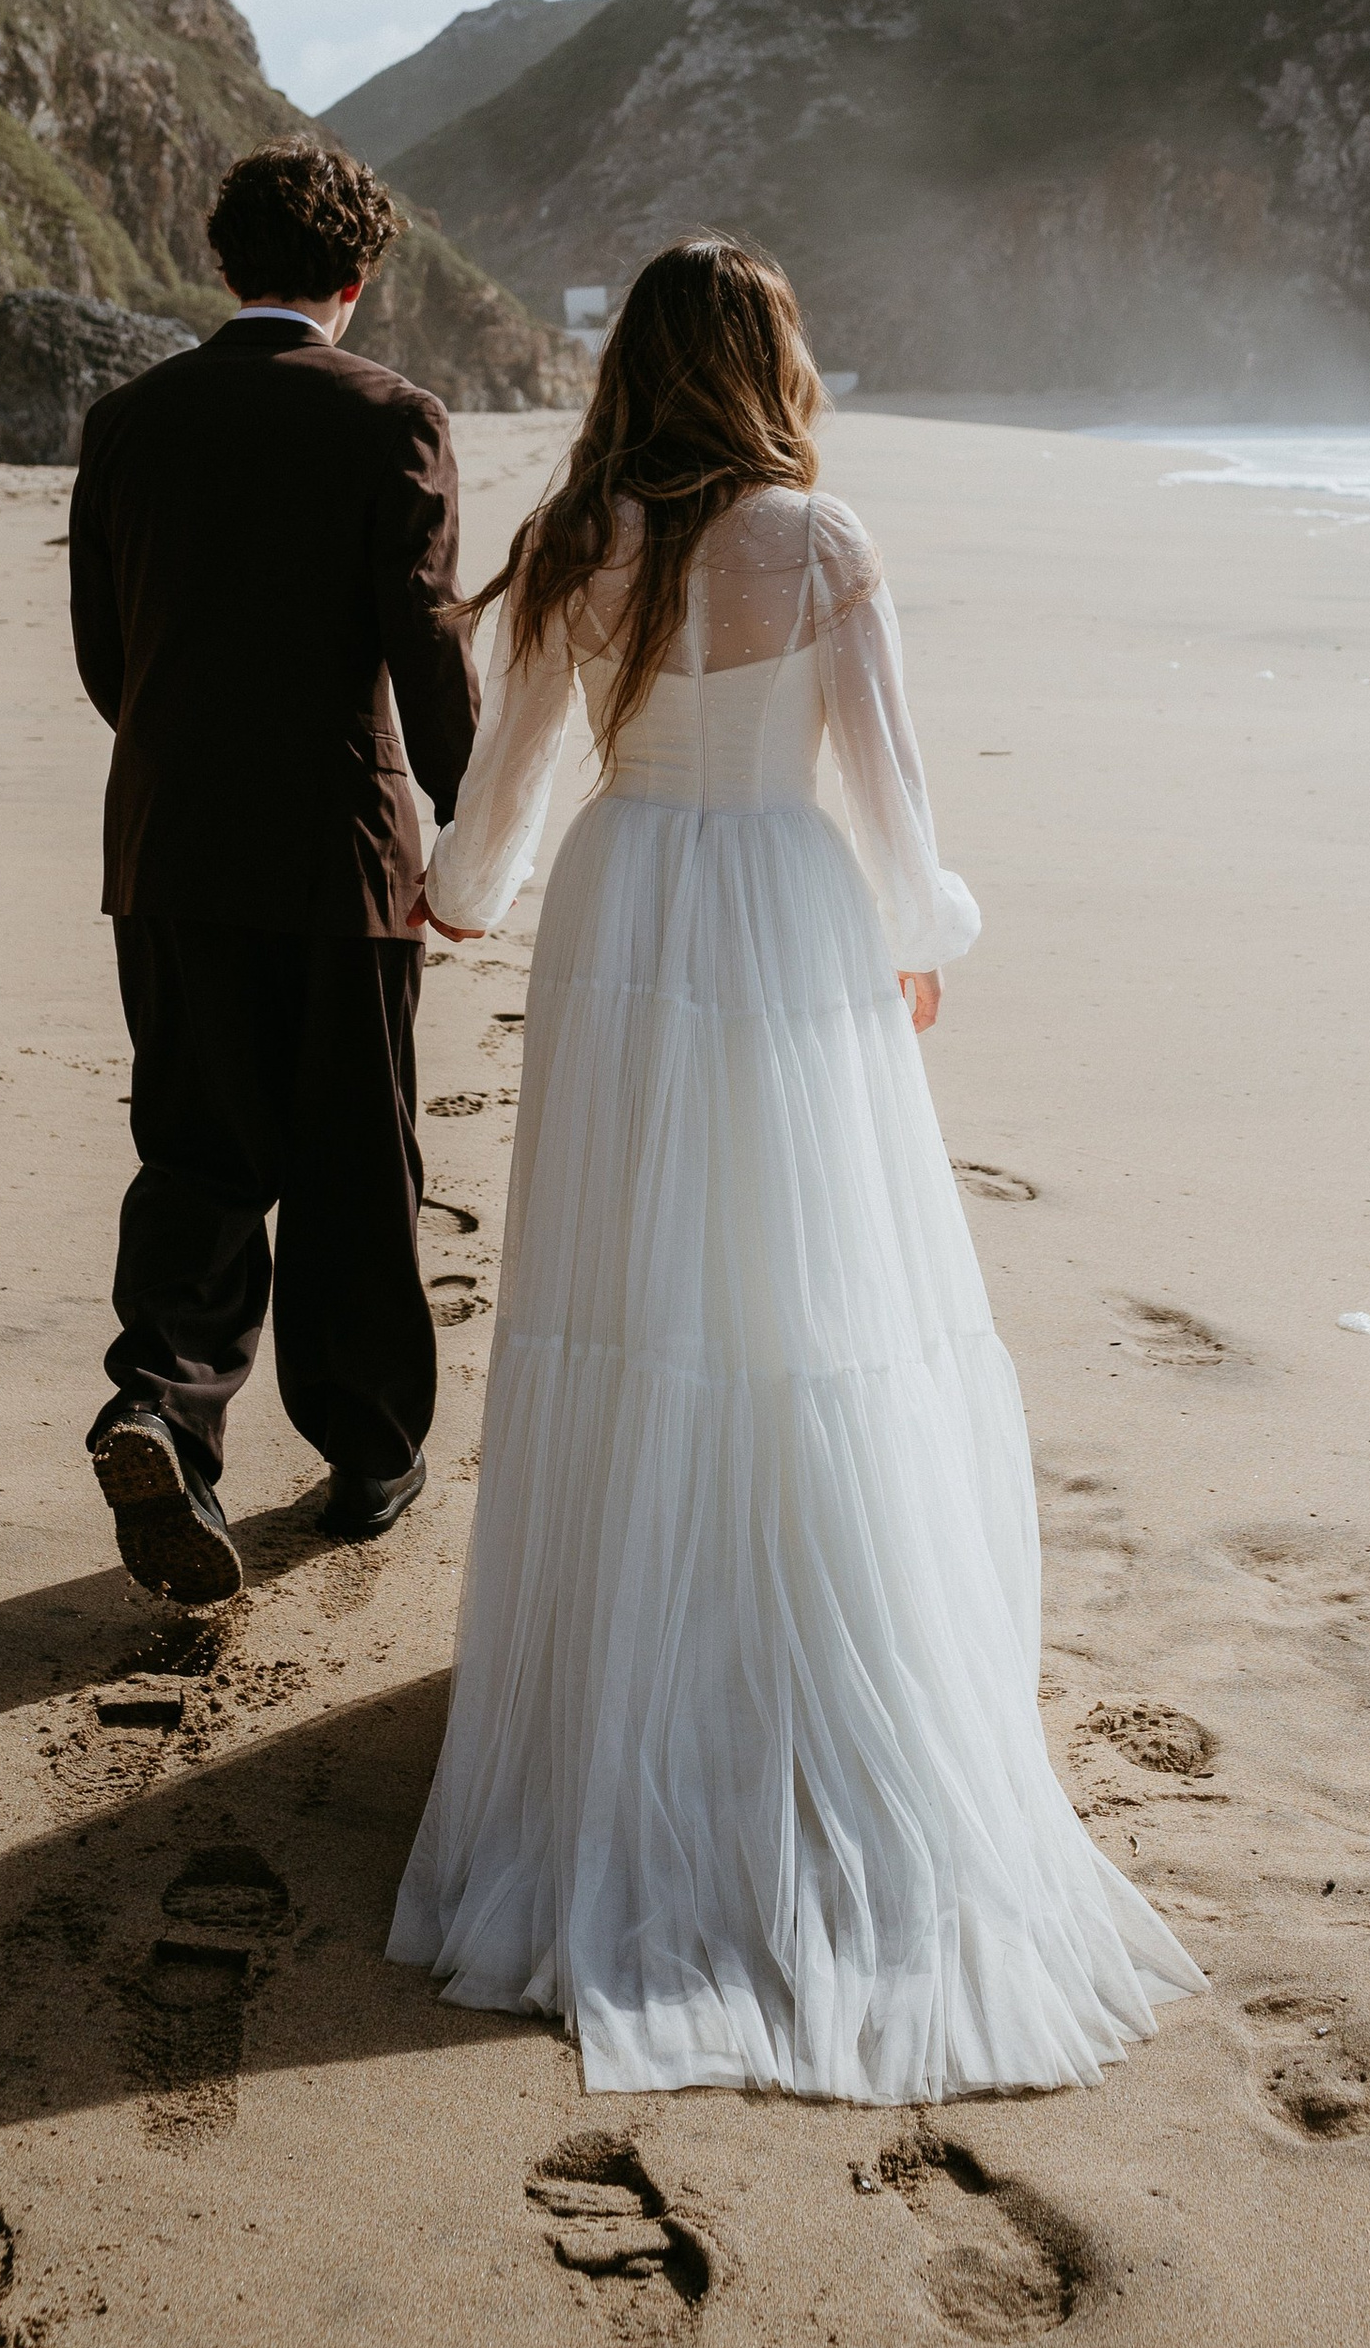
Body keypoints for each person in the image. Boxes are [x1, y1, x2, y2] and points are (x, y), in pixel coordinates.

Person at [389, 234, 1199, 2100]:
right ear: (767, 362)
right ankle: (804, 1664)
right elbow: (892, 789)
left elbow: (506, 789)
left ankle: (620, 1677)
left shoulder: (578, 535)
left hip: (623, 905)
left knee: (627, 1293)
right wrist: (926, 924)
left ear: (637, 370)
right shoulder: (819, 544)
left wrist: (456, 897)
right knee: (807, 1293)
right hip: (776, 907)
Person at [67, 139, 477, 1605]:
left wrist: (189, 761)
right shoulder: (394, 419)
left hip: (169, 843)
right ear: (355, 283)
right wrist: (466, 818)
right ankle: (371, 1456)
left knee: (196, 1147)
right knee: (357, 1162)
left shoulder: (128, 420)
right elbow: (422, 640)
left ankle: (159, 1407)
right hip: (339, 851)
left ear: (224, 266)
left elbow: (105, 656)